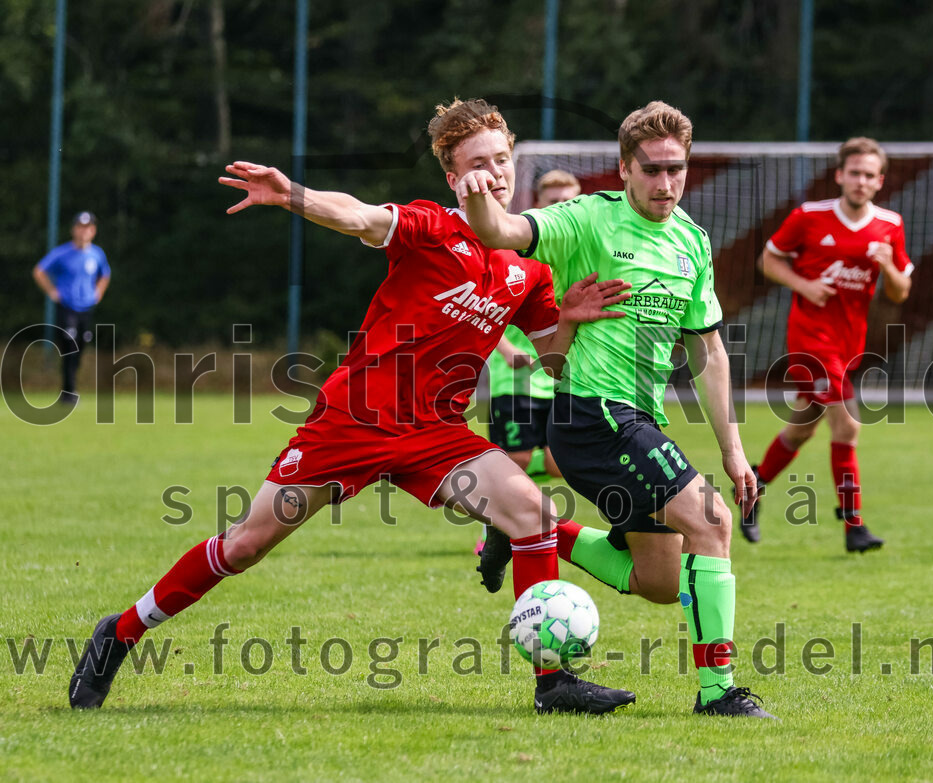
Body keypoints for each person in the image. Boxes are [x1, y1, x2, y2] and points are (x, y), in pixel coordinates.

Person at [68, 98, 636, 716]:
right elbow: (360, 217)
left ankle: (553, 684)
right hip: (354, 420)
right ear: (452, 177)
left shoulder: (529, 265)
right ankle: (120, 633)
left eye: (501, 159)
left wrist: (570, 320)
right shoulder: (432, 227)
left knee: (533, 512)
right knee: (245, 546)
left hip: (436, 432)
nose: (493, 172)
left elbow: (551, 360)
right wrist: (292, 195)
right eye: (477, 163)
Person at [461, 101, 774, 718]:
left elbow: (708, 350)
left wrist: (734, 450)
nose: (665, 184)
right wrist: (478, 192)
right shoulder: (587, 220)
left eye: (676, 170)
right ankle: (719, 694)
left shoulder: (691, 242)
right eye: (651, 170)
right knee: (712, 523)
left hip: (636, 421)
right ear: (625, 168)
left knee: (660, 581)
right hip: (593, 415)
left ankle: (527, 528)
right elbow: (501, 233)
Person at [742, 137, 913, 552]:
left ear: (879, 181)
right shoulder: (809, 216)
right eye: (854, 173)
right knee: (848, 424)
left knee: (801, 429)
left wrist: (887, 265)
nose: (861, 181)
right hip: (810, 340)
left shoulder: (889, 225)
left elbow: (900, 292)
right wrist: (804, 285)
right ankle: (854, 527)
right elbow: (767, 261)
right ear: (839, 175)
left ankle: (751, 488)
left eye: (869, 175)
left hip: (847, 344)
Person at [475, 172, 582, 581]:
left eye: (569, 200)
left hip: (558, 379)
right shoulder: (514, 244)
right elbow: (483, 303)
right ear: (537, 201)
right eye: (553, 200)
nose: (561, 206)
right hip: (515, 381)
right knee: (512, 461)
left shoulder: (579, 252)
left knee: (561, 461)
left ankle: (512, 517)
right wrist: (505, 349)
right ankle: (498, 526)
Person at [33, 211, 111, 403]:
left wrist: (98, 293)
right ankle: (68, 392)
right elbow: (39, 271)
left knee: (80, 347)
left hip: (87, 308)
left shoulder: (97, 254)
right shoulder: (62, 253)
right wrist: (52, 291)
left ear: (93, 231)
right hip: (67, 307)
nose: (84, 232)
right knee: (69, 345)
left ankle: (70, 388)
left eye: (88, 228)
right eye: (80, 227)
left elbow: (105, 274)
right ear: (74, 230)